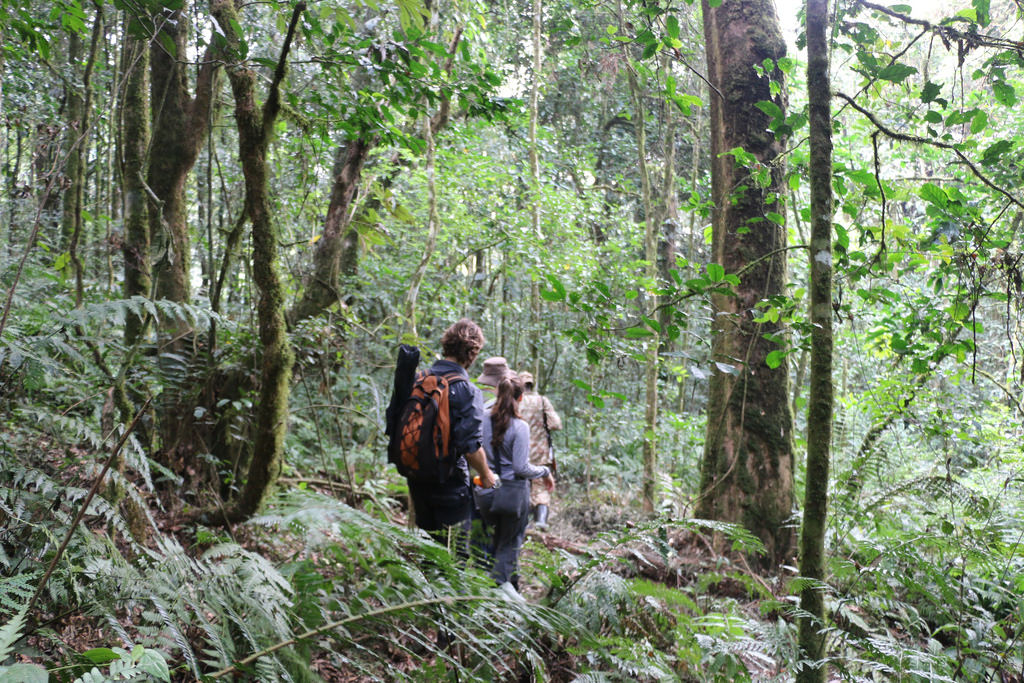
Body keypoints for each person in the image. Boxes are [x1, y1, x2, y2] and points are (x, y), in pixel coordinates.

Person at [405, 319, 497, 555]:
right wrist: (486, 475)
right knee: (453, 555)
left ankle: (425, 588)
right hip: (450, 485)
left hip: (417, 479)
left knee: (428, 548)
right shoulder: (466, 390)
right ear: (472, 352)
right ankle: (444, 592)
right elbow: (470, 446)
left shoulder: (419, 380)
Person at [474, 375, 553, 593]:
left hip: (485, 491)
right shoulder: (520, 426)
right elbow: (521, 468)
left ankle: (501, 585)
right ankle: (497, 590)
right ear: (520, 398)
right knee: (510, 543)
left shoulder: (481, 418)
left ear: (497, 394)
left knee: (490, 538)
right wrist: (545, 471)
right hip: (511, 494)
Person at [517, 370, 562, 530]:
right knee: (540, 488)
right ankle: (540, 522)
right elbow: (556, 424)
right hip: (540, 453)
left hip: (518, 451)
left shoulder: (515, 401)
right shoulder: (542, 401)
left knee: (520, 486)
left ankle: (522, 525)